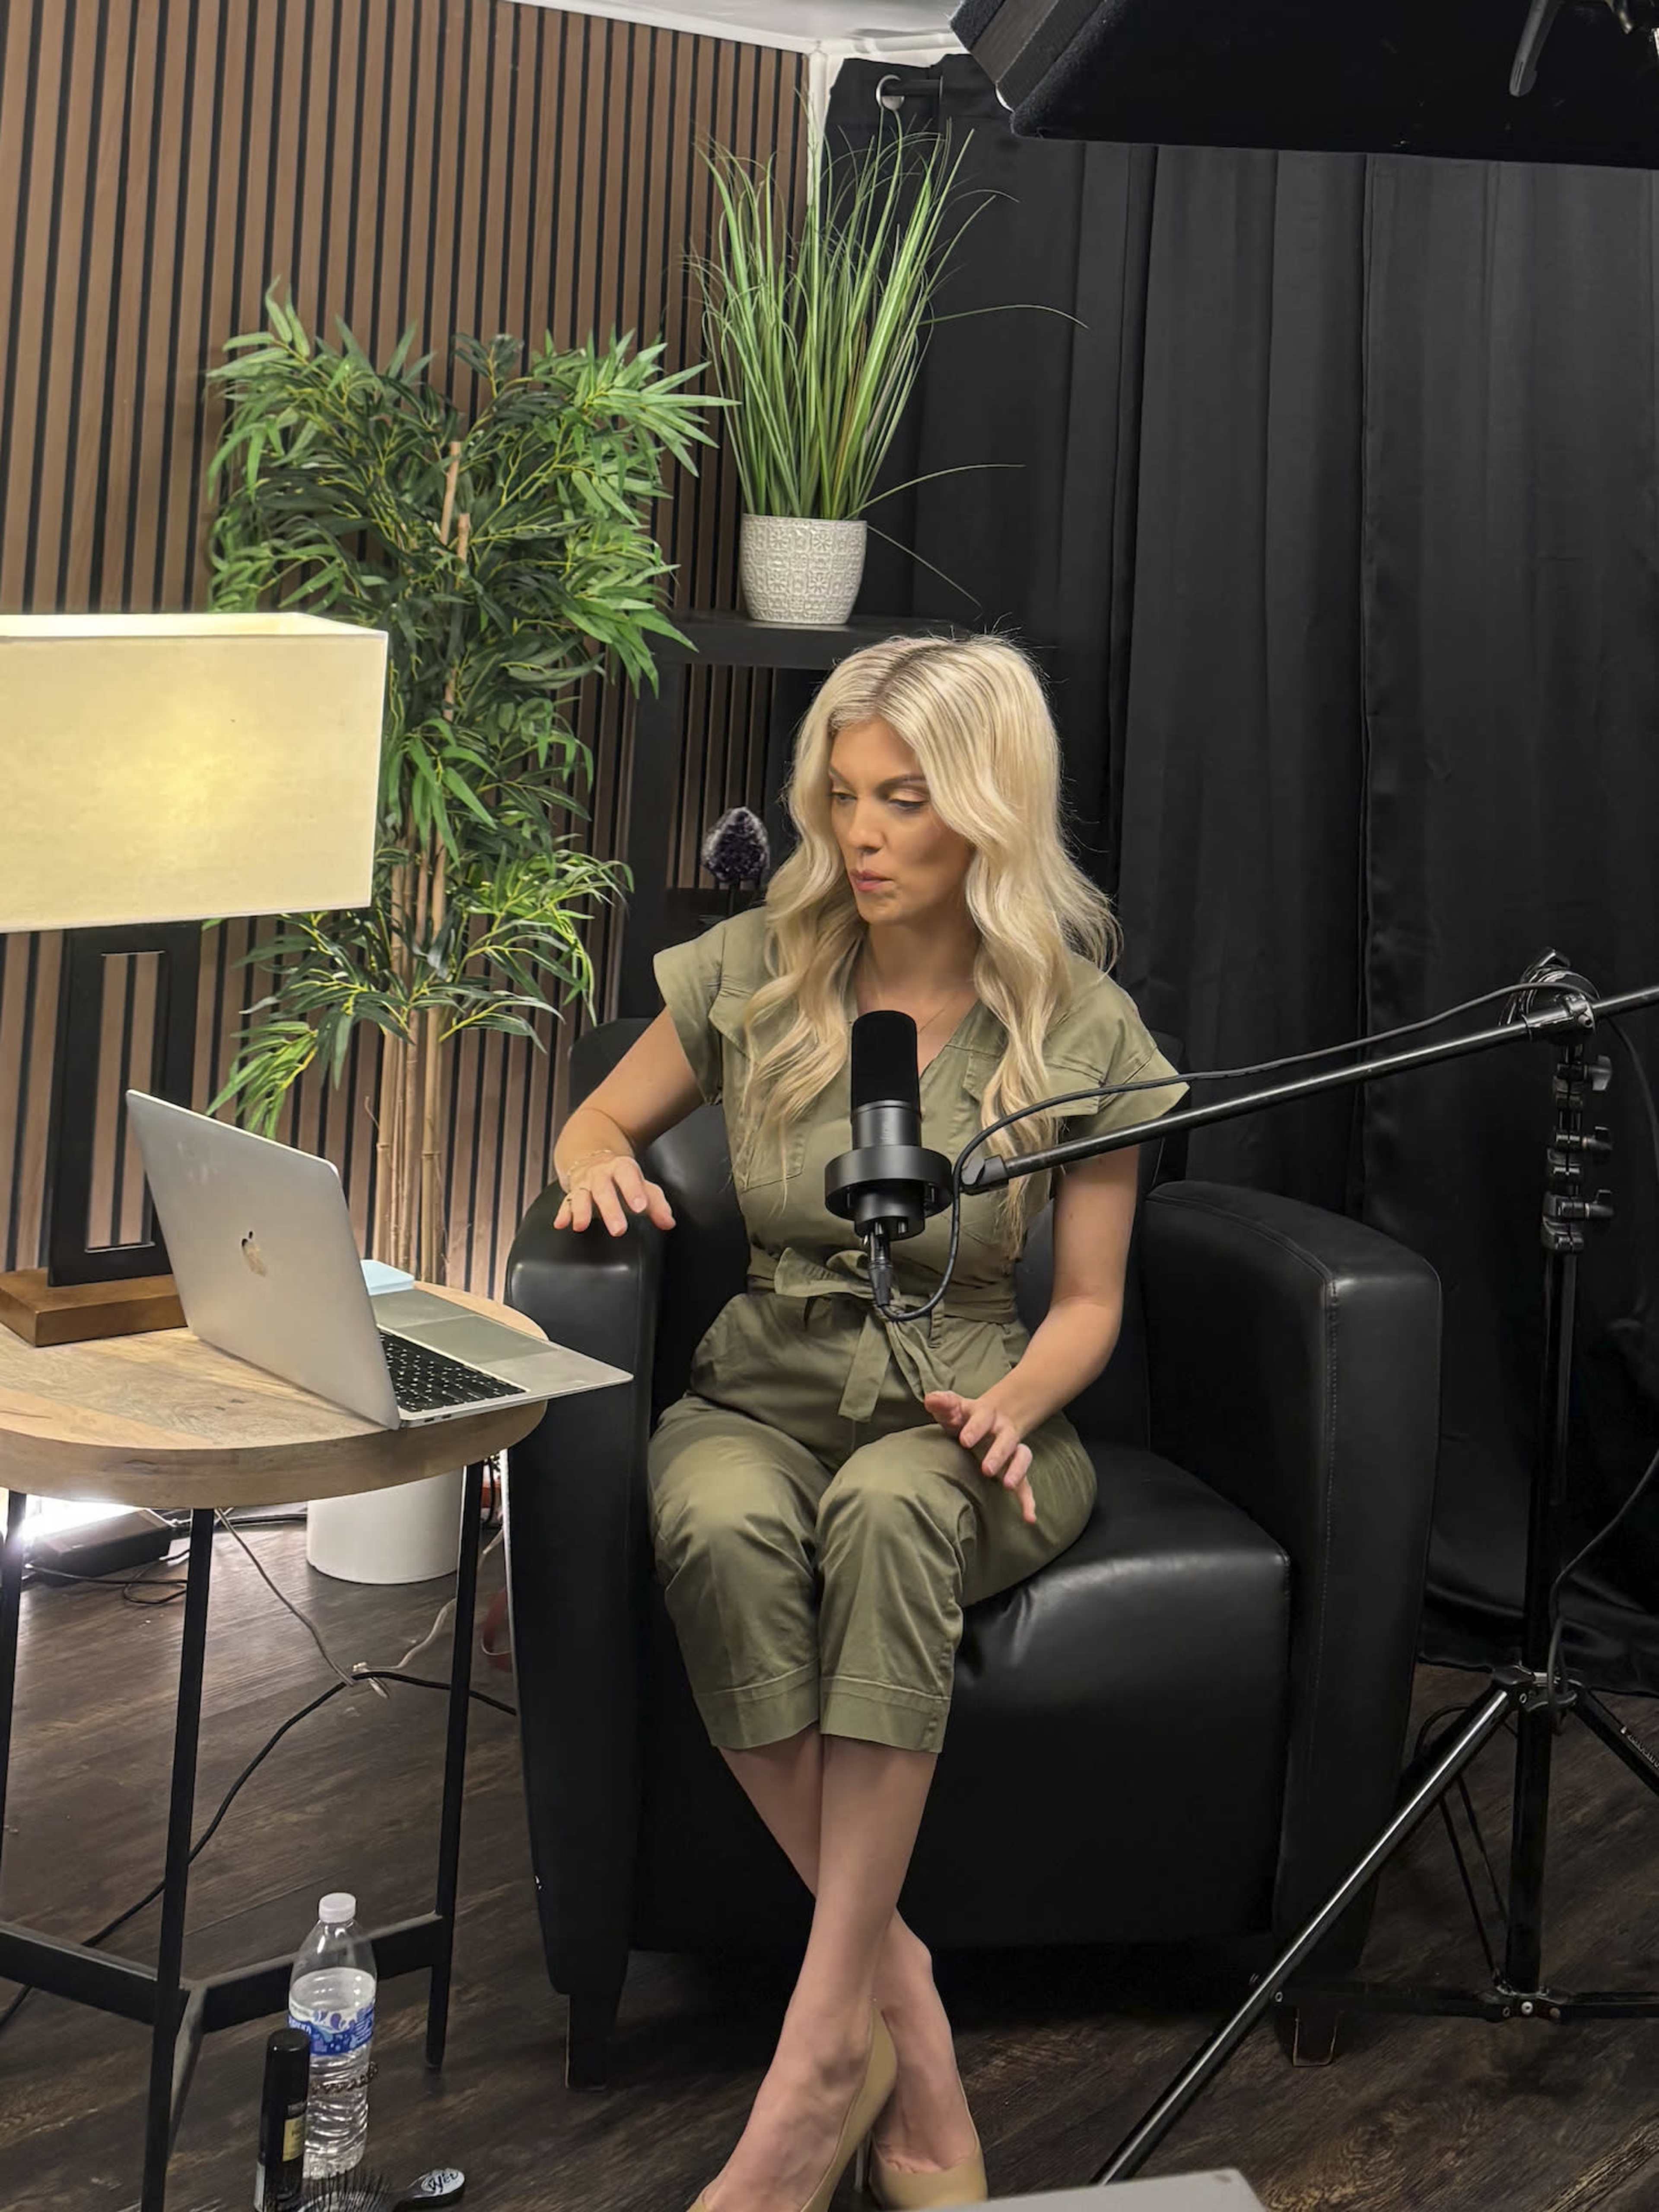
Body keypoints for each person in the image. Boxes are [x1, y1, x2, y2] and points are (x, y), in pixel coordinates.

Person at [550, 635, 1186, 2212]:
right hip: (756, 1385)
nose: (863, 837)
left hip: (968, 1407)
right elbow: (600, 1111)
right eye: (842, 799)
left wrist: (1009, 1407)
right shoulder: (766, 969)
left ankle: (803, 2086)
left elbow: (1089, 1309)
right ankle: (891, 2023)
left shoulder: (1081, 1027)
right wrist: (589, 1166)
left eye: (904, 801)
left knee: (894, 1512)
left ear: (987, 805)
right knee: (711, 1515)